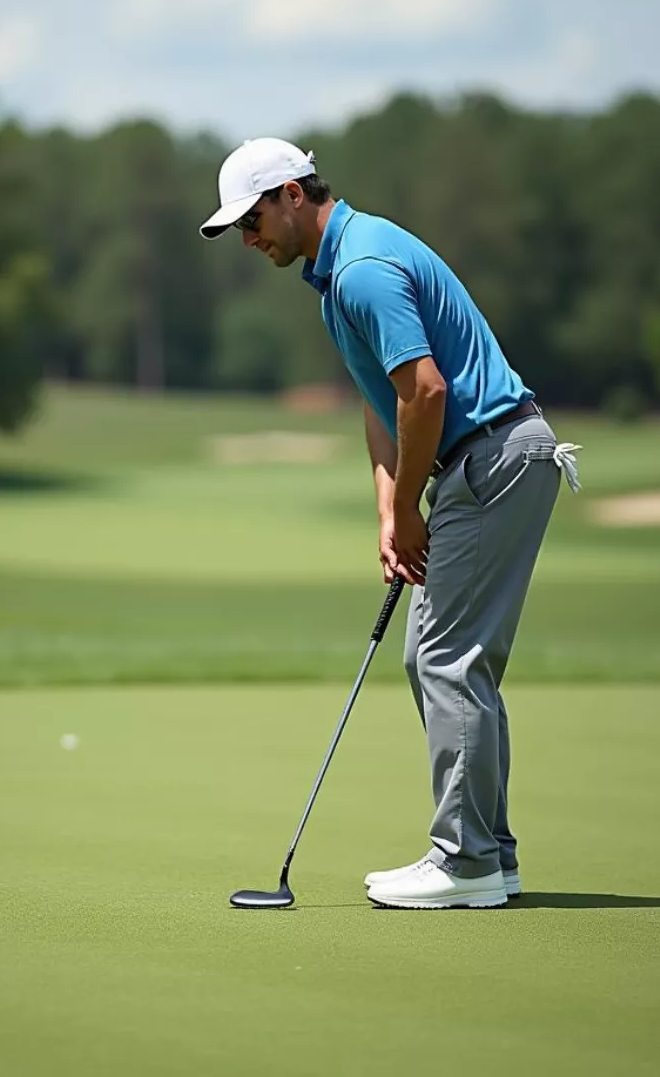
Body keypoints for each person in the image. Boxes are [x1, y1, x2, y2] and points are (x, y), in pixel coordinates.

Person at [199, 138, 580, 909]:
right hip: (487, 460)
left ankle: (465, 860)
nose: (248, 238)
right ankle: (489, 858)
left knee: (442, 657)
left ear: (294, 195)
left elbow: (427, 395)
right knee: (446, 657)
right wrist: (387, 512)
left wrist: (409, 507)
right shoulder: (338, 275)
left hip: (493, 456)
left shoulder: (364, 271)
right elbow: (386, 408)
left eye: (253, 218)